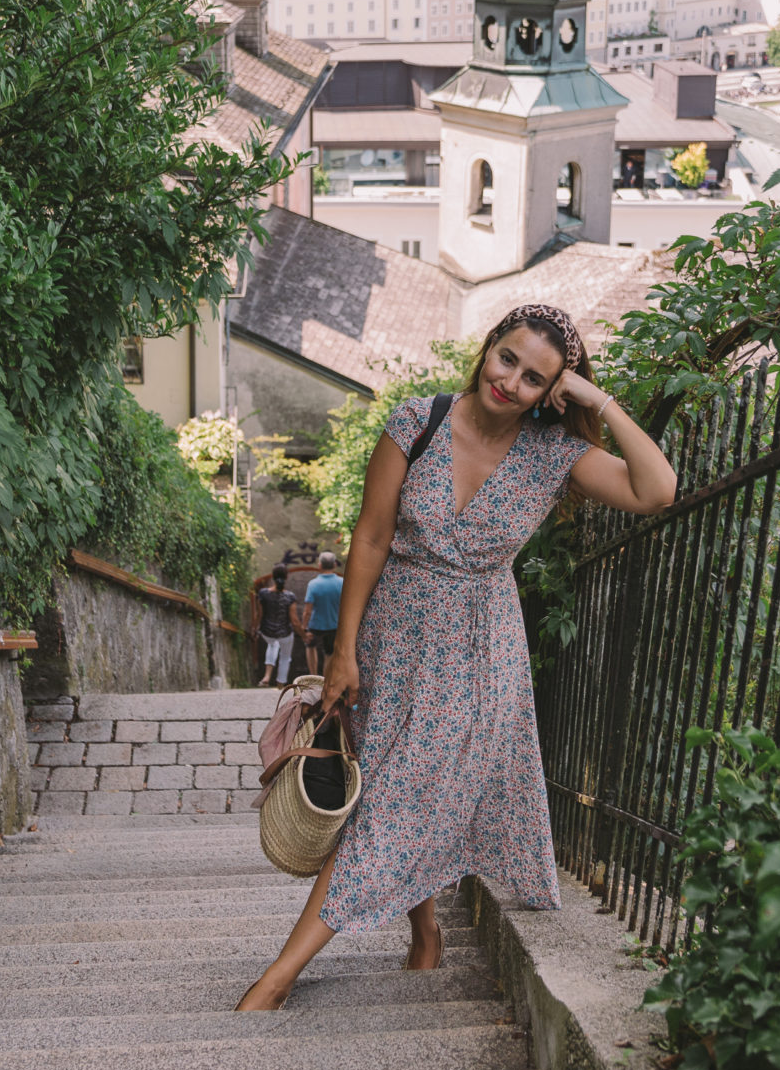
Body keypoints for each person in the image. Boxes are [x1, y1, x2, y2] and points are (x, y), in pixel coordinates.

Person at [235, 304, 677, 1011]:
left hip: (481, 650)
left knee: (398, 799)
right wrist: (344, 651)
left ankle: (279, 975)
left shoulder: (553, 453)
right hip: (394, 633)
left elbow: (657, 490)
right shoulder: (418, 421)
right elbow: (372, 536)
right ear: (486, 349)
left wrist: (601, 402)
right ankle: (426, 932)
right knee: (389, 785)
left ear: (554, 390)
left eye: (537, 377)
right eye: (508, 359)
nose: (512, 381)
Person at [255, 571, 302, 686]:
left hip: (267, 631)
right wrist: (303, 635)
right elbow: (294, 620)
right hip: (285, 632)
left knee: (273, 644)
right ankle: (280, 683)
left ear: (273, 577)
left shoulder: (263, 593)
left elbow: (259, 614)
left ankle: (267, 676)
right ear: (286, 578)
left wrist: (255, 628)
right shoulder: (290, 596)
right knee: (285, 657)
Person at [302, 554, 344, 680]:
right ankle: (325, 680)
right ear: (335, 565)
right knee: (329, 654)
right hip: (334, 625)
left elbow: (307, 610)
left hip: (315, 625)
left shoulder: (313, 584)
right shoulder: (342, 583)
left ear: (319, 565)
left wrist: (304, 628)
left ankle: (313, 676)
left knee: (310, 647)